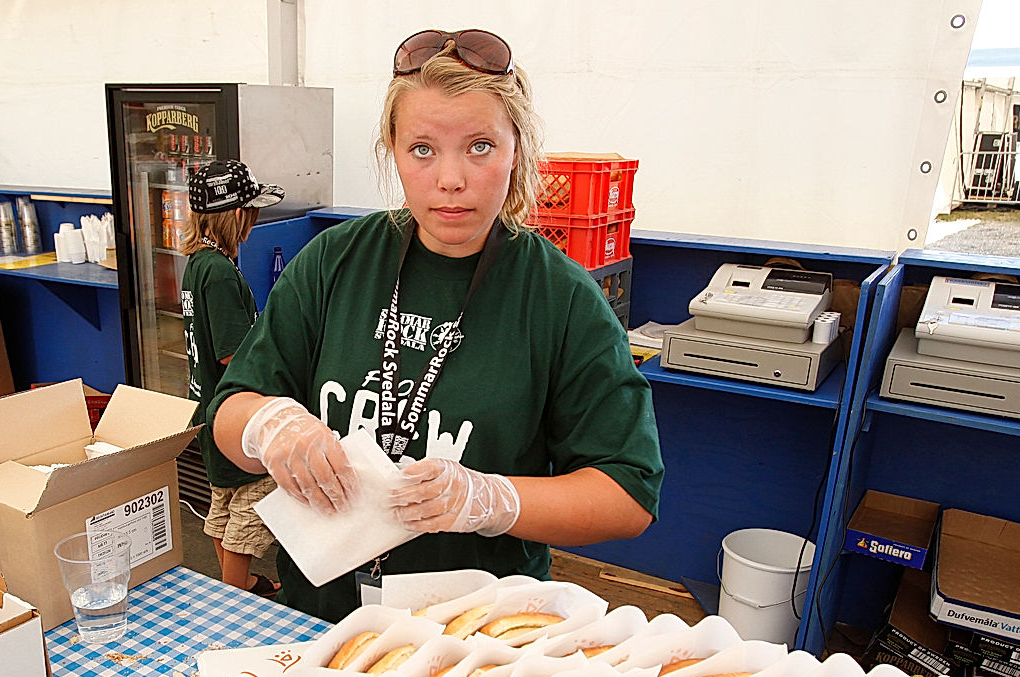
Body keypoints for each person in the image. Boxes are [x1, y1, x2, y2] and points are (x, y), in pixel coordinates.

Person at [209, 28, 663, 622]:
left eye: (479, 146)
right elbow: (225, 418)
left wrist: (489, 498)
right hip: (320, 615)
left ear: (517, 151)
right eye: (423, 149)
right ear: (392, 150)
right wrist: (272, 427)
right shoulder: (333, 262)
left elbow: (628, 496)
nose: (451, 179)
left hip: (479, 632)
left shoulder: (561, 298)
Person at [180, 159, 285, 598]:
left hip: (204, 407)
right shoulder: (221, 273)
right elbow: (232, 354)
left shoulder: (197, 264)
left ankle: (244, 585)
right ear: (238, 214)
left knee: (221, 507)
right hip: (230, 410)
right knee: (249, 507)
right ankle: (234, 599)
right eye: (252, 211)